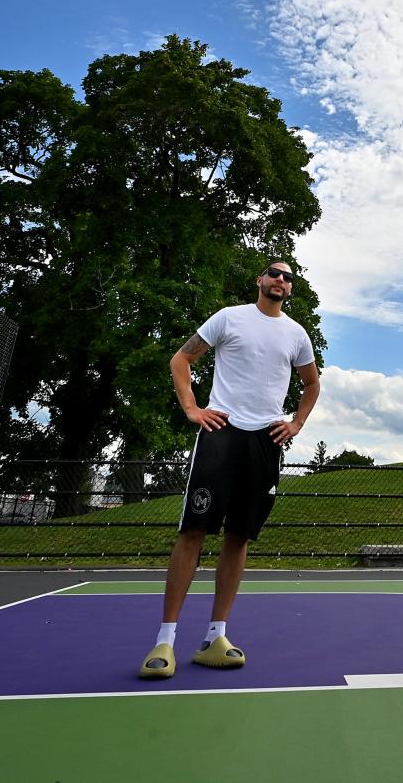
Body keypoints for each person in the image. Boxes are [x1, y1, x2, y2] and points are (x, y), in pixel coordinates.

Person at [139, 261, 320, 678]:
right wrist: (191, 408)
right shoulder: (228, 318)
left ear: (290, 289)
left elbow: (312, 384)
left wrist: (295, 423)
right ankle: (164, 641)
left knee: (239, 537)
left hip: (265, 443)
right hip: (220, 433)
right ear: (260, 280)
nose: (280, 279)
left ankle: (214, 637)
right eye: (273, 272)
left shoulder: (296, 335)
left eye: (288, 276)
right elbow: (181, 360)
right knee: (193, 532)